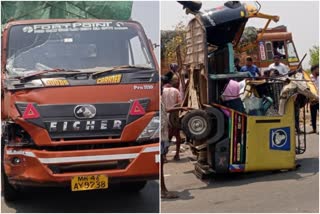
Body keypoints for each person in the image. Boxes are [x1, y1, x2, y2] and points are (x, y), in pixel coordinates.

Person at [160, 77, 178, 199]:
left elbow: (165, 110)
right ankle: (163, 191)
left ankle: (164, 189)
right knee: (160, 163)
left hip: (163, 135)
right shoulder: (157, 99)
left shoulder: (160, 100)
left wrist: (181, 109)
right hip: (160, 136)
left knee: (161, 162)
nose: (161, 89)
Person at [162, 76, 182, 160]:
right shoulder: (176, 91)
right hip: (174, 116)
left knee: (165, 136)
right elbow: (180, 103)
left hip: (164, 115)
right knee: (177, 135)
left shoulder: (161, 91)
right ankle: (177, 154)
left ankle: (164, 155)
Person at [309, 64, 319, 134]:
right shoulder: (309, 78)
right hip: (313, 99)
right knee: (313, 115)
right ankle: (314, 129)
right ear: (314, 70)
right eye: (318, 69)